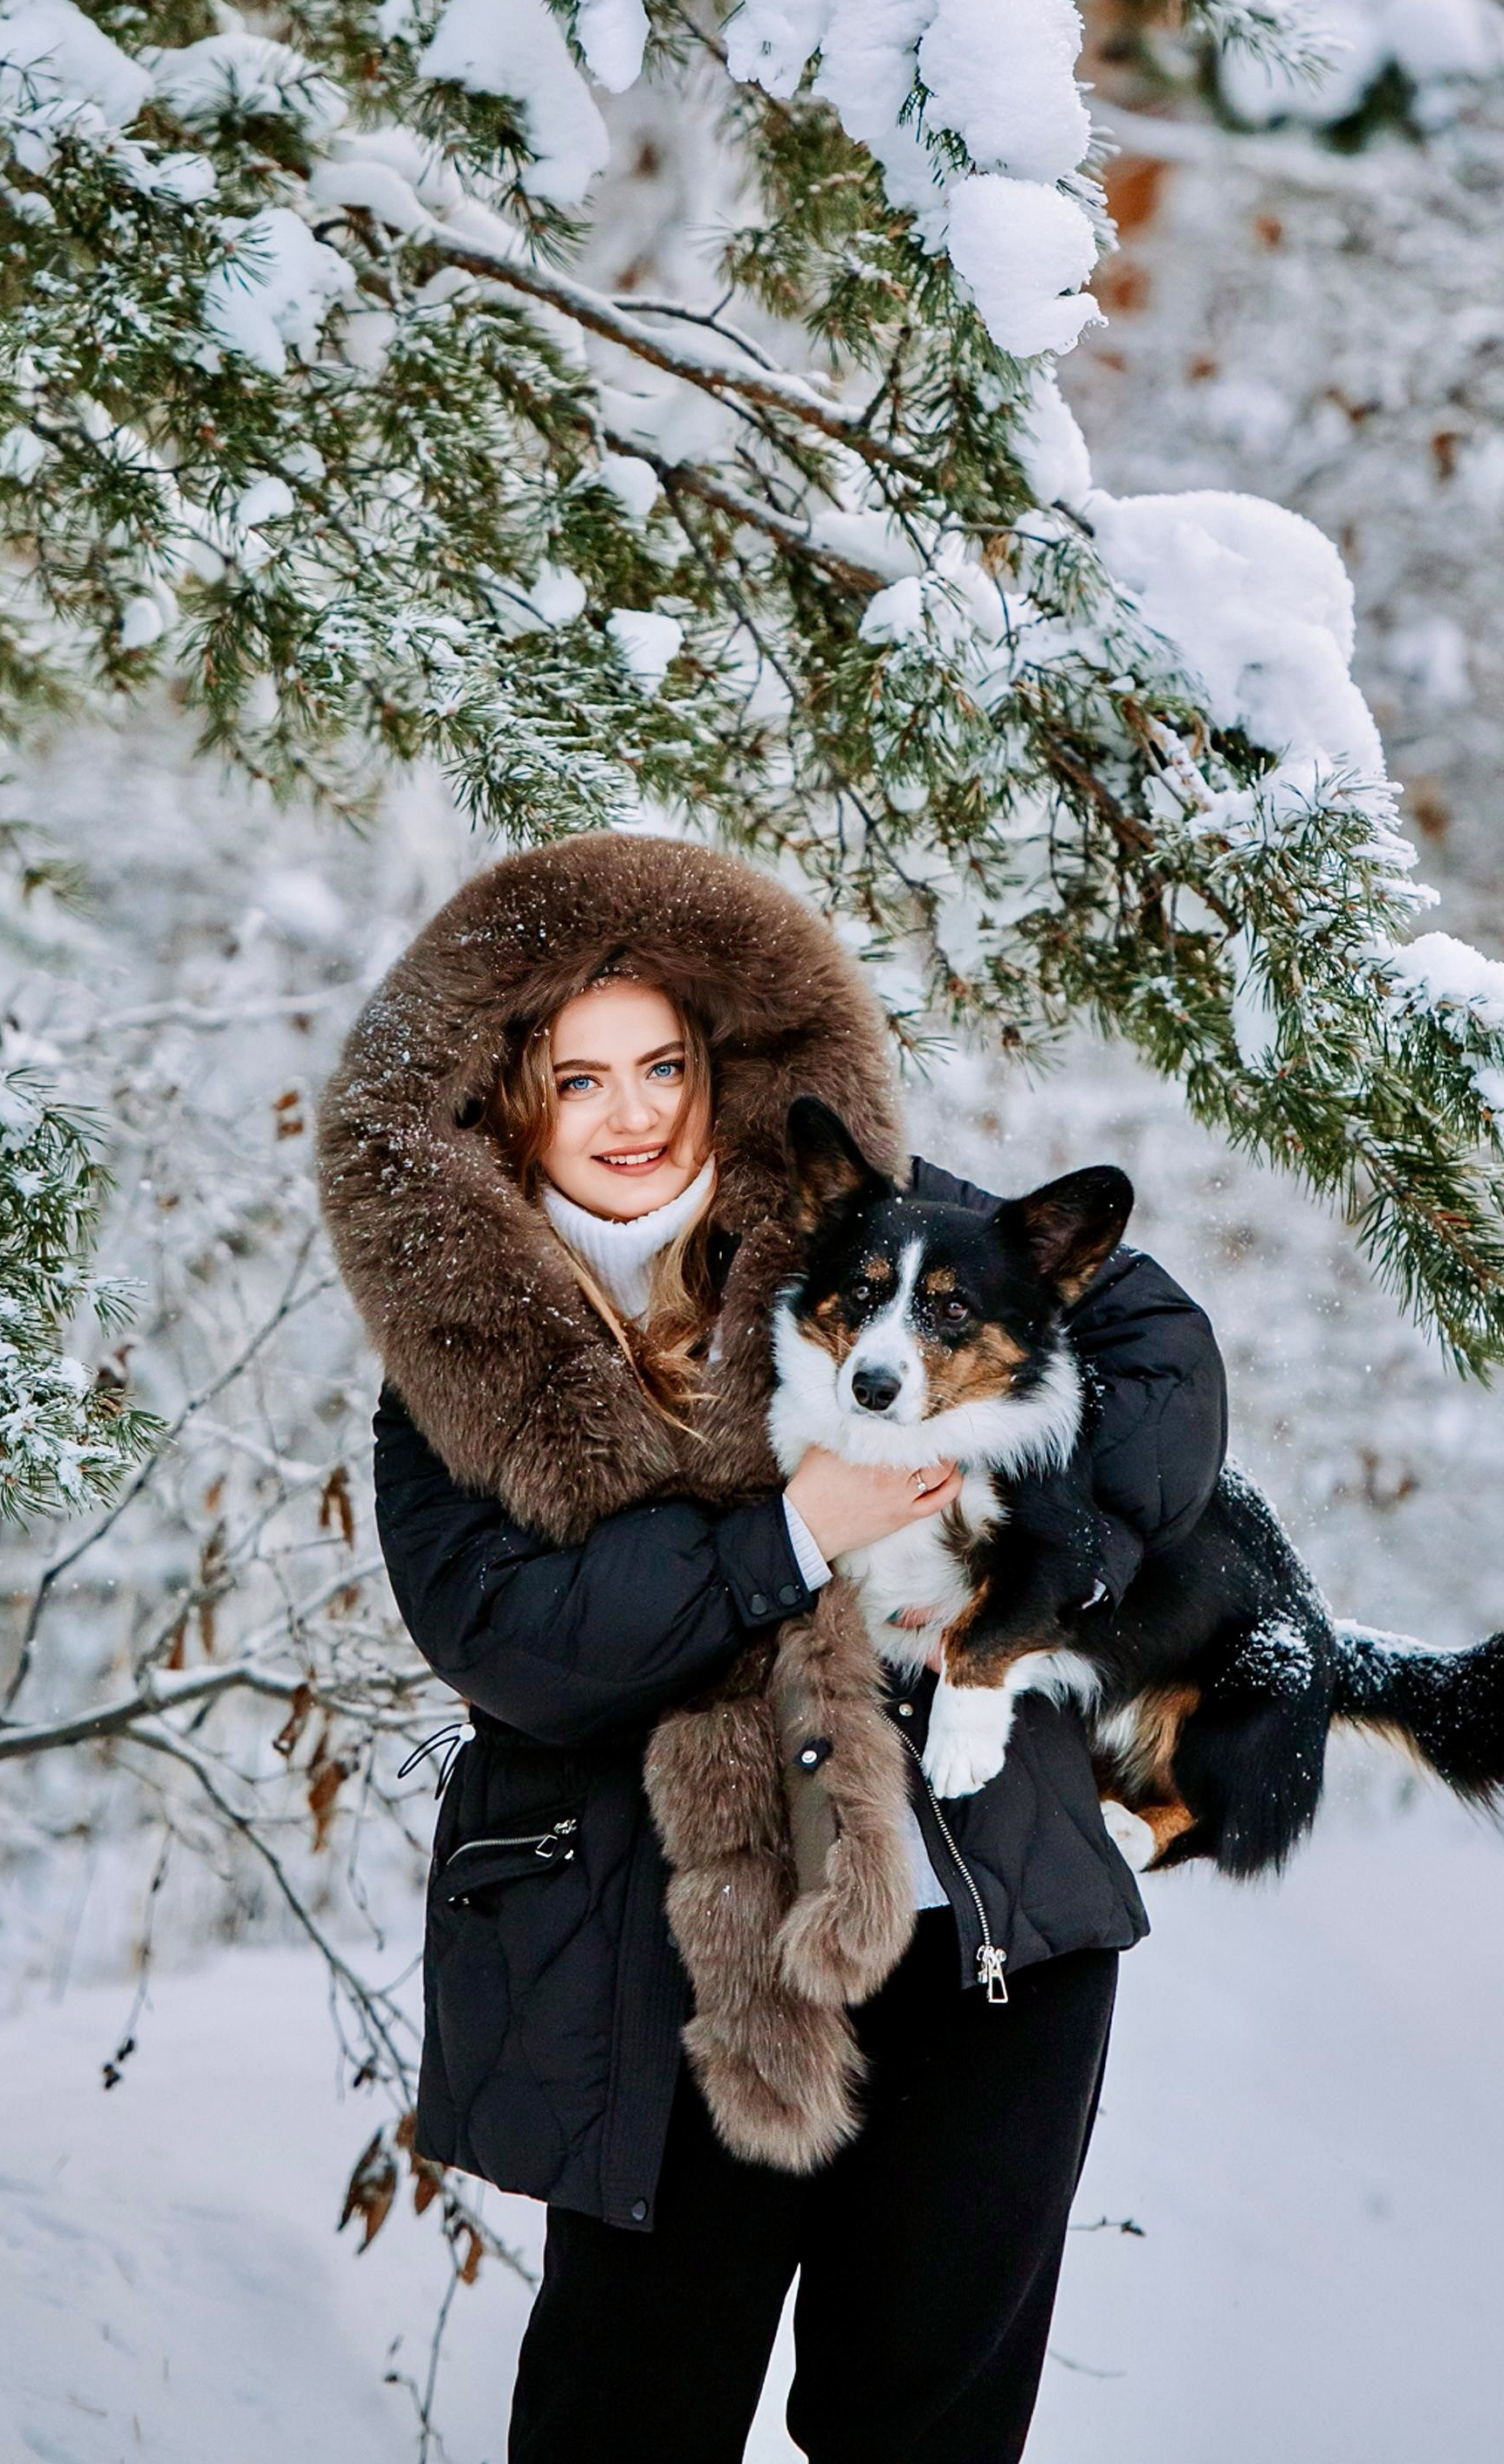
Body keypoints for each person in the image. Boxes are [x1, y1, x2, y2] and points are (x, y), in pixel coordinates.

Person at [318, 834, 1226, 2464]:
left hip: (986, 1943)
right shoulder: (449, 1373)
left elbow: (1160, 1352)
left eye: (662, 1062)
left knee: (926, 2429)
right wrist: (793, 1526)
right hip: (669, 1965)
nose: (636, 1112)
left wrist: (1038, 1535)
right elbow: (520, 1647)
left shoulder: (873, 1229)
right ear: (501, 1105)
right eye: (575, 1078)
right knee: (626, 2418)